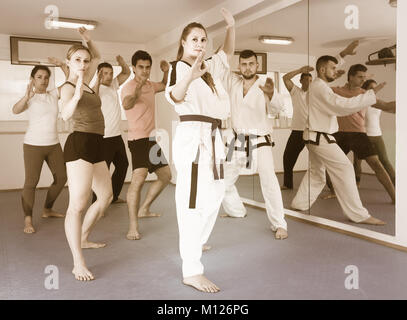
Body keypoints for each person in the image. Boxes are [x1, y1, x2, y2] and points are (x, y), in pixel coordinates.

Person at [165, 8, 235, 293]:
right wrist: (190, 76)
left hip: (217, 136)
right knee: (192, 201)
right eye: (194, 39)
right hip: (194, 137)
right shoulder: (177, 68)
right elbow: (176, 95)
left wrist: (232, 25)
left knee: (217, 193)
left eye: (204, 40)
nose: (200, 44)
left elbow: (226, 53)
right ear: (183, 42)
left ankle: (196, 241)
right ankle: (191, 270)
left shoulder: (209, 70)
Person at [290, 55, 386, 225]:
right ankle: (359, 215)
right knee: (346, 169)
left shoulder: (319, 87)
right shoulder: (319, 87)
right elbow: (341, 105)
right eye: (332, 68)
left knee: (317, 174)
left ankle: (299, 204)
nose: (336, 71)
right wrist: (370, 95)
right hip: (319, 138)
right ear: (322, 70)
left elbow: (337, 103)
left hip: (314, 137)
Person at [59, 28, 113, 281]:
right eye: (77, 60)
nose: (82, 63)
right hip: (79, 144)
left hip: (97, 143)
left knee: (105, 197)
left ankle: (84, 236)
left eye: (85, 60)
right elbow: (66, 114)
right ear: (68, 62)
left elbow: (98, 57)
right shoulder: (68, 87)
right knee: (77, 205)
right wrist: (77, 95)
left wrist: (88, 41)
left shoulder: (91, 82)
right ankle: (77, 262)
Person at [220, 49, 288, 240]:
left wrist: (272, 93)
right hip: (238, 139)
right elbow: (219, 65)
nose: (247, 67)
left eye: (251, 64)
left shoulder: (265, 83)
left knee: (269, 182)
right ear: (239, 66)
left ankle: (279, 224)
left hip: (260, 140)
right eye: (244, 64)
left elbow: (278, 109)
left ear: (257, 65)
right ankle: (236, 211)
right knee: (223, 181)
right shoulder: (234, 82)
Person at [280, 40, 359, 190]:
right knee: (288, 158)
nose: (309, 81)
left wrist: (341, 61)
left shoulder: (316, 89)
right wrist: (300, 69)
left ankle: (332, 187)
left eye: (311, 79)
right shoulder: (295, 92)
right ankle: (287, 184)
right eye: (306, 79)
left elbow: (326, 74)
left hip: (312, 131)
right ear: (301, 80)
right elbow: (285, 79)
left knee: (321, 163)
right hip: (298, 130)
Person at [321, 65, 395, 203]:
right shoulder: (336, 91)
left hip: (359, 134)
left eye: (364, 77)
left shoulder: (364, 94)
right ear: (350, 77)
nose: (363, 80)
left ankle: (395, 197)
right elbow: (319, 89)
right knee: (328, 164)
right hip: (340, 134)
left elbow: (386, 106)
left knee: (376, 164)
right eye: (360, 77)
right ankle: (333, 191)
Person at [121, 50, 171, 240]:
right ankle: (133, 226)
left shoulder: (151, 85)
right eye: (140, 67)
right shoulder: (129, 86)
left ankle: (144, 208)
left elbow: (165, 85)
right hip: (137, 140)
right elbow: (127, 104)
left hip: (151, 140)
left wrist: (166, 71)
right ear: (133, 68)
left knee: (165, 175)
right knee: (138, 180)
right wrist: (137, 88)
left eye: (147, 67)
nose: (144, 71)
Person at [12, 66, 67, 234]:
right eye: (39, 77)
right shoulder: (29, 98)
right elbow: (15, 110)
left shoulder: (53, 95)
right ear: (33, 79)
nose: (43, 80)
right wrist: (27, 96)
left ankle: (47, 209)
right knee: (31, 182)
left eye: (46, 77)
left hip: (53, 145)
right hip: (33, 145)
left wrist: (65, 67)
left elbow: (70, 84)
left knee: (62, 177)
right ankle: (28, 219)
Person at [91, 57, 131, 205]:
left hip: (116, 136)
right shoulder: (95, 88)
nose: (108, 76)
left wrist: (121, 62)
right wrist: (97, 80)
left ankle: (113, 197)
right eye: (105, 73)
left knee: (123, 165)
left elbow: (127, 72)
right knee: (102, 172)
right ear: (99, 74)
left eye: (110, 73)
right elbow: (94, 98)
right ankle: (96, 202)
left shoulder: (114, 84)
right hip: (103, 138)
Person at [353, 79, 395, 187]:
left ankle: (397, 184)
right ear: (365, 89)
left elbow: (390, 108)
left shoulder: (378, 101)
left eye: (375, 87)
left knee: (384, 160)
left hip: (377, 135)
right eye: (371, 88)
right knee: (357, 162)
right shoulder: (361, 102)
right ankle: (356, 184)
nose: (374, 90)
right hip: (363, 136)